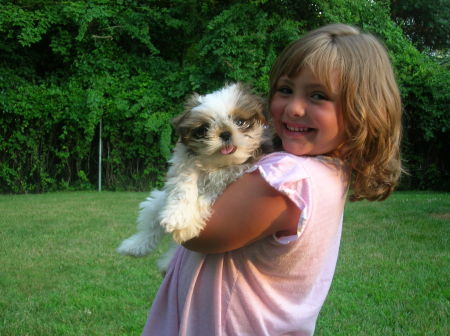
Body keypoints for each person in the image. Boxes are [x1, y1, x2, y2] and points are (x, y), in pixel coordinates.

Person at [141, 23, 402, 335]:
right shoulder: (329, 171)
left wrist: (189, 165)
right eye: (285, 90)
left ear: (361, 110)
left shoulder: (286, 179)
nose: (293, 108)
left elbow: (197, 234)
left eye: (318, 96)